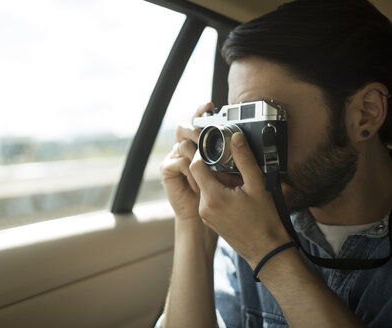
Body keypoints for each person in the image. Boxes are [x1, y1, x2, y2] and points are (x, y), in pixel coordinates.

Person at [155, 0, 392, 327]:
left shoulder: (256, 233)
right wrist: (193, 223)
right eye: (238, 122)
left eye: (266, 122)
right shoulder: (247, 220)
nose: (246, 152)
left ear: (366, 113)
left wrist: (270, 254)